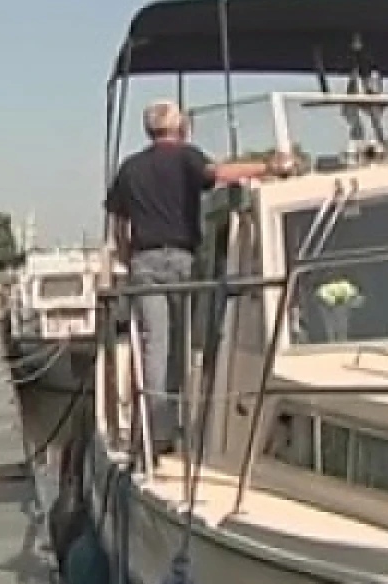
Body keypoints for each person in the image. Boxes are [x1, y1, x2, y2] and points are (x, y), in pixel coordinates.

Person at [105, 99, 293, 456]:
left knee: (153, 344)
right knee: (181, 343)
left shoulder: (129, 169)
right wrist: (268, 165)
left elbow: (119, 225)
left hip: (144, 260)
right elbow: (219, 175)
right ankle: (174, 422)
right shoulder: (186, 157)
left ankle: (152, 431)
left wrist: (130, 259)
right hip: (180, 259)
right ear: (180, 128)